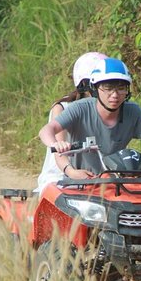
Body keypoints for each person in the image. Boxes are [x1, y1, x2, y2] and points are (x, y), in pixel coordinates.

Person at [38, 57, 141, 179]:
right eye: (108, 88)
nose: (115, 95)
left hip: (115, 179)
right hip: (80, 180)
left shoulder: (133, 111)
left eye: (121, 88)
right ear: (95, 89)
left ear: (127, 90)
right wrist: (65, 161)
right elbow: (47, 130)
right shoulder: (80, 108)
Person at [35, 51, 108, 192]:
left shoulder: (109, 111)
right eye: (100, 84)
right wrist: (72, 172)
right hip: (61, 177)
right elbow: (59, 152)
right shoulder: (63, 108)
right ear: (85, 85)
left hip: (96, 177)